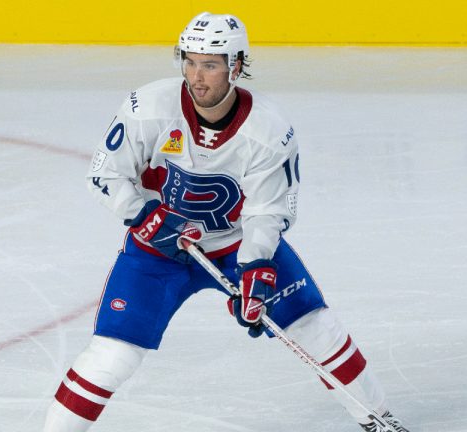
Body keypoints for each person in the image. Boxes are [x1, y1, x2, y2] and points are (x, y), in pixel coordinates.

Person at [43, 12, 410, 432]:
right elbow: (104, 174)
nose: (196, 77)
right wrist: (142, 215)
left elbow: (267, 211)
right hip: (156, 250)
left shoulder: (268, 129)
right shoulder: (149, 107)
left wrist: (255, 267)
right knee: (113, 354)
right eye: (190, 62)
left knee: (315, 327)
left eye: (210, 65)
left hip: (235, 245)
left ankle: (379, 420)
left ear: (236, 67)